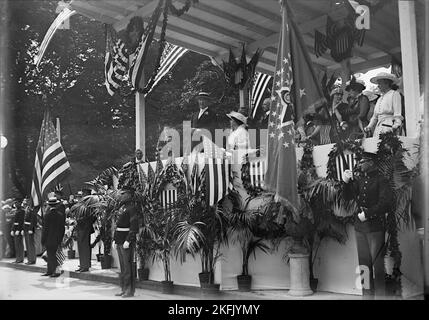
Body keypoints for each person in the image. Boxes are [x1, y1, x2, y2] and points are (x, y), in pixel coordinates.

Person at [342, 152, 393, 299]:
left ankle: (381, 297)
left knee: (377, 266)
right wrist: (346, 182)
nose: (359, 164)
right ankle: (366, 296)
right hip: (360, 228)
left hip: (375, 227)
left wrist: (368, 214)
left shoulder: (381, 180)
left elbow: (385, 203)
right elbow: (347, 197)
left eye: (362, 161)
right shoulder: (359, 180)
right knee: (363, 265)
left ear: (371, 162)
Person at [112, 188, 139, 298]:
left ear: (129, 195)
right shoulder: (121, 207)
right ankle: (123, 288)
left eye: (123, 194)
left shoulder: (132, 208)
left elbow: (134, 226)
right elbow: (117, 225)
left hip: (126, 240)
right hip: (119, 239)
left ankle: (129, 290)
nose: (120, 195)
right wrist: (115, 239)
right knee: (123, 267)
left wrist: (128, 239)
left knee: (128, 267)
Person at [364, 72, 403, 137]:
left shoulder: (394, 94)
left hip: (389, 125)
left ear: (386, 83)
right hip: (379, 127)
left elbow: (397, 113)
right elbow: (375, 116)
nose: (378, 86)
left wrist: (397, 124)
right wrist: (369, 126)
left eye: (380, 83)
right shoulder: (380, 98)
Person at [41, 196, 66, 277]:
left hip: (49, 238)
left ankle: (53, 271)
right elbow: (62, 229)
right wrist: (61, 239)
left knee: (51, 255)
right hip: (57, 238)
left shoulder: (47, 215)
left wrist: (43, 239)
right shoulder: (60, 215)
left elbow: (45, 229)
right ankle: (51, 271)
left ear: (49, 205)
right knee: (54, 255)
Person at [74, 206, 96, 273]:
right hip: (80, 229)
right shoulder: (81, 208)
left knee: (85, 248)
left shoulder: (89, 208)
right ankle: (82, 265)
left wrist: (81, 220)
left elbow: (92, 218)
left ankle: (85, 266)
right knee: (81, 248)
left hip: (85, 229)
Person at [23, 200, 37, 265]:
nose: (25, 203)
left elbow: (33, 220)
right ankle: (29, 259)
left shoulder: (32, 210)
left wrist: (31, 228)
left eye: (27, 202)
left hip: (29, 229)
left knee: (31, 245)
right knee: (28, 245)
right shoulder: (26, 209)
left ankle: (32, 259)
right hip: (26, 228)